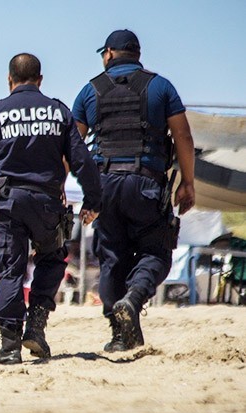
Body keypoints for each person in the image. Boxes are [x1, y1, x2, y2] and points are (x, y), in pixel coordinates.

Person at [0, 53, 102, 364]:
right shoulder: (58, 112)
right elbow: (82, 161)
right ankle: (36, 325)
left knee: (9, 271)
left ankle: (8, 347)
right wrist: (94, 200)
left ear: (9, 80)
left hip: (8, 202)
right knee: (52, 258)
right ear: (40, 79)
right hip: (48, 202)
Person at [73, 29, 195, 351]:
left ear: (110, 53)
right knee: (156, 252)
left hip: (104, 185)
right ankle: (134, 299)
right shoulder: (161, 86)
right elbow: (183, 137)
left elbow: (71, 145)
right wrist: (188, 182)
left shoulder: (91, 90)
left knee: (112, 257)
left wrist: (69, 188)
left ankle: (118, 333)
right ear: (137, 55)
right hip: (146, 183)